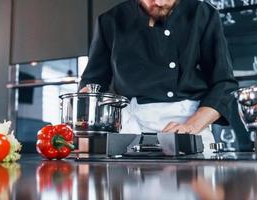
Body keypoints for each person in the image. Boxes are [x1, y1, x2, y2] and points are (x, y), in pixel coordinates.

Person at [79, 0, 238, 150]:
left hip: (190, 127)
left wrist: (192, 126)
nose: (159, 3)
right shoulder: (110, 21)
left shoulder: (202, 14)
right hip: (130, 129)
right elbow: (93, 82)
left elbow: (224, 84)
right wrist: (85, 112)